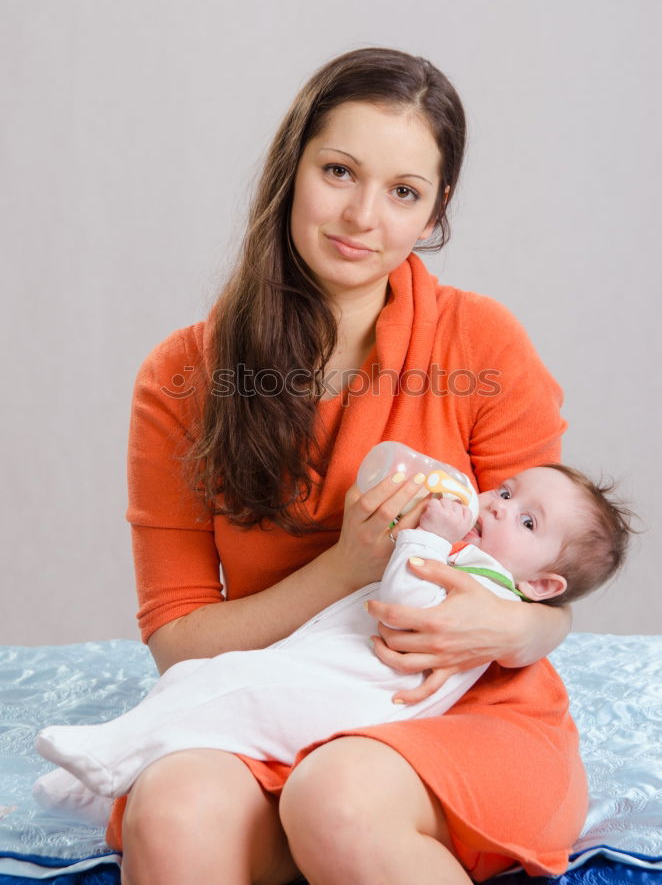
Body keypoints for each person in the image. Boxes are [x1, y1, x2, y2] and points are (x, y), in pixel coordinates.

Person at [110, 47, 593, 885]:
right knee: (173, 816)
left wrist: (527, 625)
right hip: (264, 702)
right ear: (293, 167)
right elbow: (181, 643)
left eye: (403, 192)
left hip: (450, 710)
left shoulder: (481, 343)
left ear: (434, 210)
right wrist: (348, 567)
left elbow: (536, 586)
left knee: (336, 798)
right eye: (339, 171)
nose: (363, 216)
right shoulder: (183, 377)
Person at [34, 462, 630, 804]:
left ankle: (105, 769)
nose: (498, 507)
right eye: (505, 491)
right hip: (320, 676)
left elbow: (408, 603)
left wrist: (422, 538)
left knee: (228, 692)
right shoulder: (471, 559)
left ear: (545, 586)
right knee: (202, 684)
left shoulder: (492, 589)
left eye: (527, 521)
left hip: (351, 700)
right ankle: (94, 775)